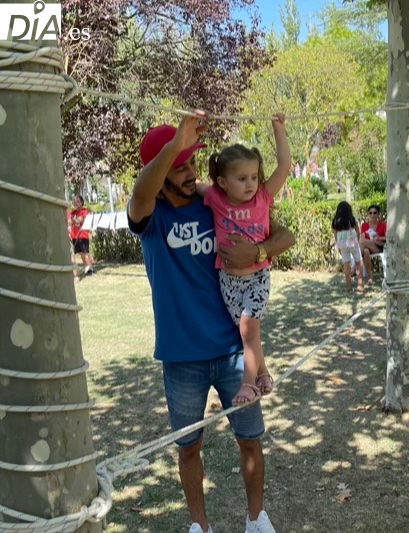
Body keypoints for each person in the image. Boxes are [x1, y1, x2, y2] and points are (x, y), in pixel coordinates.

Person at [128, 112, 294, 533]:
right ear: (161, 172)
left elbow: (282, 234)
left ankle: (256, 520)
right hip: (181, 357)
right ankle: (199, 527)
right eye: (178, 167)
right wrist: (173, 146)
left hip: (233, 350)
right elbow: (140, 191)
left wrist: (258, 253)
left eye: (191, 163)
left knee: (251, 439)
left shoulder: (216, 204)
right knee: (188, 448)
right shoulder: (151, 216)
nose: (190, 173)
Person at [197, 114, 290, 406]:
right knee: (247, 333)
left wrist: (278, 129)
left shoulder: (262, 197)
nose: (250, 184)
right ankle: (263, 374)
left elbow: (284, 167)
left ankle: (248, 384)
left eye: (253, 177)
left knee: (249, 327)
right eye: (242, 179)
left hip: (257, 277)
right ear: (222, 182)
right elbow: (192, 184)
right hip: (228, 279)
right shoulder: (215, 197)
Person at [332, 201, 365, 293]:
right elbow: (358, 231)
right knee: (358, 263)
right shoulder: (352, 219)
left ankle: (349, 287)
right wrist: (357, 240)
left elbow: (335, 235)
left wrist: (338, 246)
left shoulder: (335, 222)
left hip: (343, 246)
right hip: (353, 244)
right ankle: (360, 285)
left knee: (346, 265)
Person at [359, 204, 386, 283]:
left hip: (378, 247)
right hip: (367, 247)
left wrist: (378, 238)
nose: (372, 215)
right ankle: (370, 277)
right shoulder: (364, 225)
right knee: (365, 251)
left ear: (378, 214)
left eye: (374, 213)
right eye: (370, 213)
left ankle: (355, 266)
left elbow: (387, 237)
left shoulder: (382, 224)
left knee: (363, 243)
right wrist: (370, 241)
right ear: (368, 214)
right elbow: (362, 238)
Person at [69, 195, 94, 278]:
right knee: (80, 252)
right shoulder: (73, 212)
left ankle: (90, 268)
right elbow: (70, 221)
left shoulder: (84, 211)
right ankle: (87, 266)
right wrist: (73, 220)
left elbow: (80, 220)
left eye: (77, 201)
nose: (75, 203)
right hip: (74, 235)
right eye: (74, 202)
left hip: (82, 234)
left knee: (85, 253)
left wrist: (73, 220)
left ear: (82, 202)